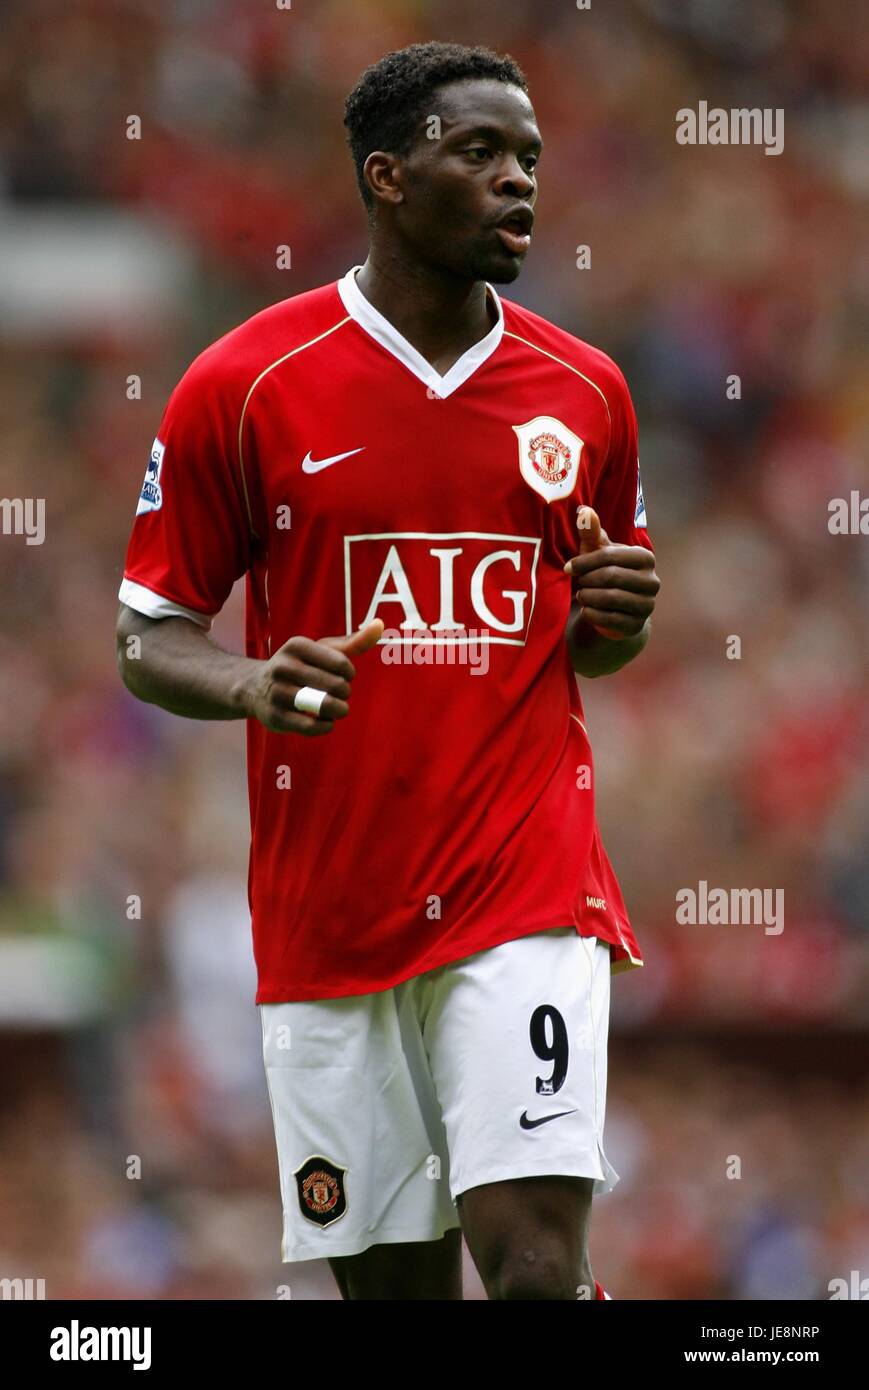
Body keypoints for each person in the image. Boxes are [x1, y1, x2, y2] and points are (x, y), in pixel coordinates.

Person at [115, 40, 660, 1300]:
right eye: (480, 153)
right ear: (387, 177)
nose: (519, 180)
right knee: (390, 1292)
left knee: (532, 1264)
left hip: (523, 885)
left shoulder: (588, 393)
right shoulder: (243, 385)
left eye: (529, 157)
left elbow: (601, 642)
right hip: (327, 909)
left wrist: (619, 616)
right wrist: (250, 682)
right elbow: (148, 636)